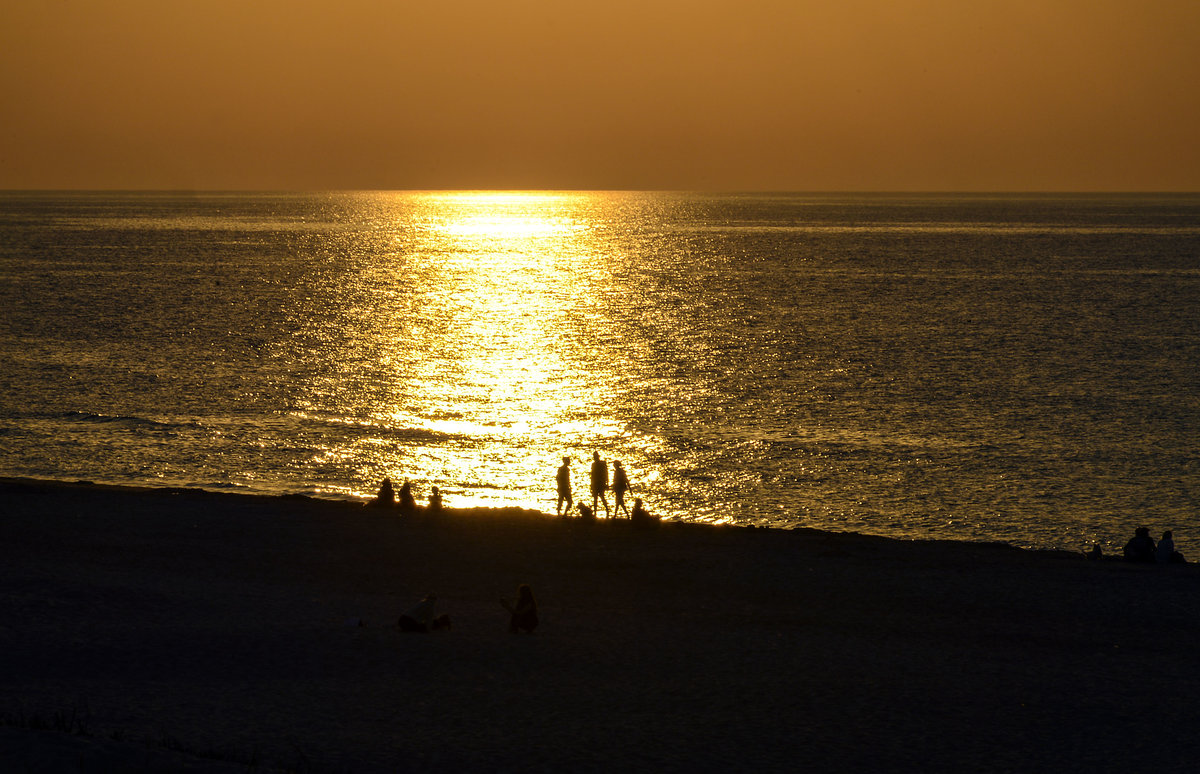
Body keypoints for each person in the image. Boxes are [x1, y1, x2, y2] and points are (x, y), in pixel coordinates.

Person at [590, 451, 610, 518]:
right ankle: (597, 512)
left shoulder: (601, 464)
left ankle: (606, 510)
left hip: (600, 483)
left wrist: (607, 482)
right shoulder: (597, 464)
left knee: (601, 497)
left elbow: (606, 473)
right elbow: (592, 475)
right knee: (597, 498)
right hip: (597, 483)